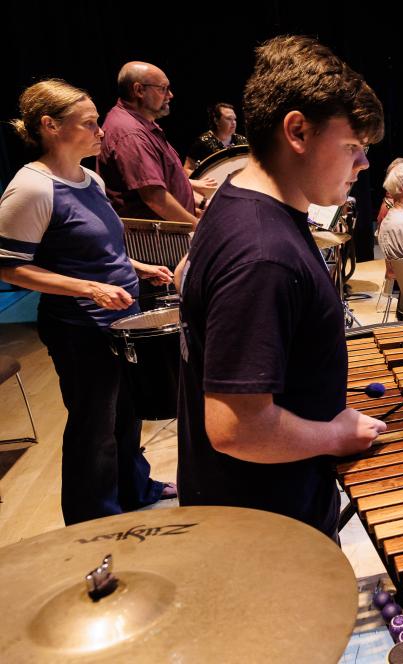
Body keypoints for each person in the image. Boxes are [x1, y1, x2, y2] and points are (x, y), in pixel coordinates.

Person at [176, 35, 387, 537]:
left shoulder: (234, 199)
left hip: (247, 503)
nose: (363, 165)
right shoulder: (263, 255)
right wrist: (334, 435)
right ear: (298, 131)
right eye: (353, 148)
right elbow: (237, 428)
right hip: (267, 526)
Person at [0, 80, 175, 525]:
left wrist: (138, 268)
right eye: (90, 122)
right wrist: (89, 290)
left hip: (122, 319)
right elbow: (9, 268)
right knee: (94, 428)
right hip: (80, 328)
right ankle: (94, 518)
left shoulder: (90, 178)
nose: (101, 130)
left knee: (128, 415)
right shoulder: (32, 188)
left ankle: (135, 490)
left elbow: (102, 251)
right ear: (50, 126)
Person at [97, 62, 199, 226]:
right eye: (163, 88)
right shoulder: (130, 134)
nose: (170, 95)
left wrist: (200, 205)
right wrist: (200, 230)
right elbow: (155, 198)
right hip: (151, 245)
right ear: (139, 90)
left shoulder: (141, 124)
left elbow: (169, 180)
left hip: (163, 237)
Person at [183, 102, 248, 173]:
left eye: (234, 119)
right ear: (216, 121)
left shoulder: (242, 141)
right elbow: (186, 169)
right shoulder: (203, 142)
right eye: (229, 119)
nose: (233, 122)